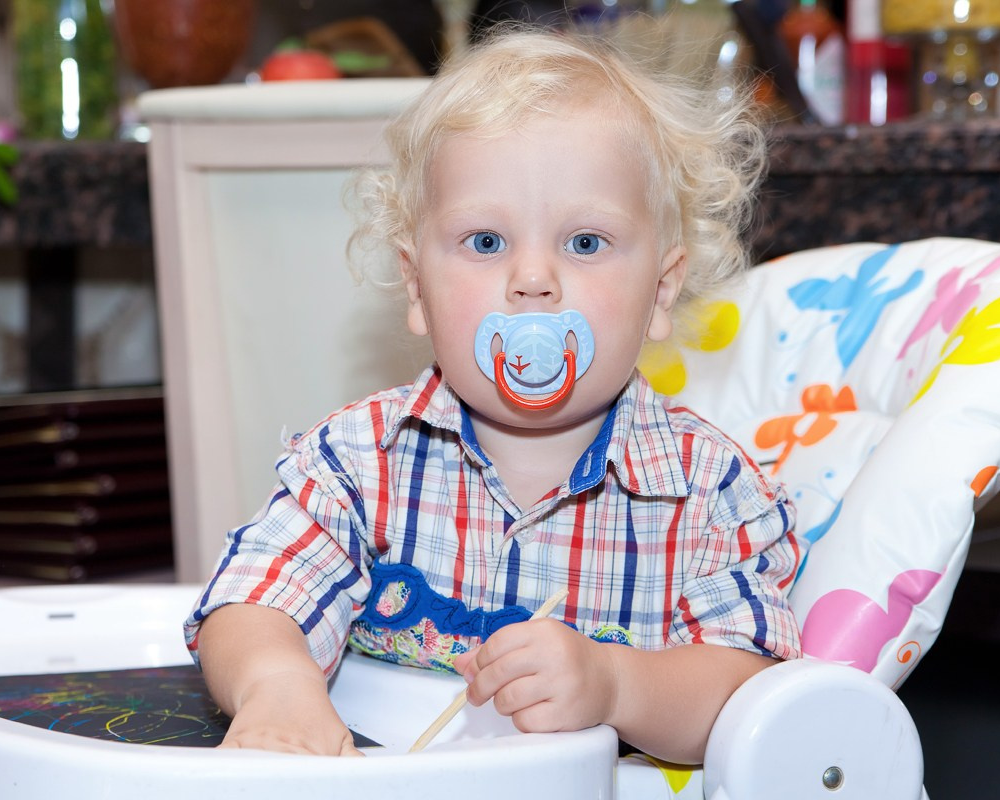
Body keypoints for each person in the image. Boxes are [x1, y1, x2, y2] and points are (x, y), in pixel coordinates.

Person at [185, 27, 801, 764]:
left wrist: (615, 685)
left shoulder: (711, 493)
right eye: (484, 242)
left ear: (662, 288)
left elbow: (753, 696)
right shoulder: (356, 464)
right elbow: (252, 598)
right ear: (418, 286)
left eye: (584, 243)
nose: (532, 278)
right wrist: (276, 685)